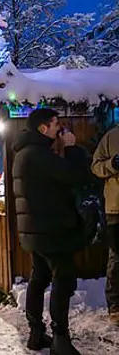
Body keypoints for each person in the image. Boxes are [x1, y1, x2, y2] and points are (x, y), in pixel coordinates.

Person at [13, 108, 89, 354]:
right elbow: (74, 175)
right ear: (43, 128)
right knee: (63, 280)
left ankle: (36, 334)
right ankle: (60, 339)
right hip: (51, 231)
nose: (60, 128)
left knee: (40, 278)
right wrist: (71, 148)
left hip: (37, 232)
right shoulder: (38, 154)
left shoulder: (26, 153)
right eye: (56, 124)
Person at [91, 124, 119, 325]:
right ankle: (116, 307)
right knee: (116, 257)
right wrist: (112, 164)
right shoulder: (112, 137)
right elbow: (95, 167)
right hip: (116, 209)